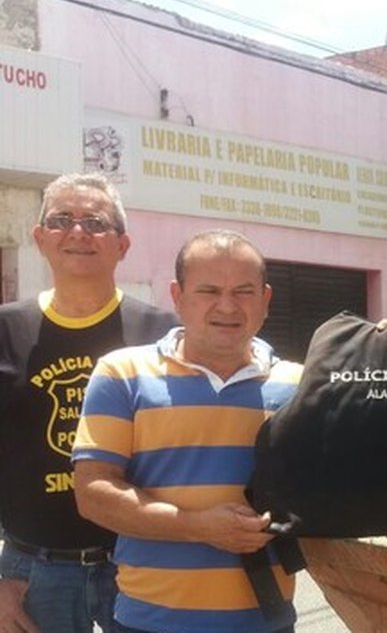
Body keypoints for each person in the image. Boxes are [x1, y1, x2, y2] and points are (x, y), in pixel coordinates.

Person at [71, 230, 302, 632]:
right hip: (148, 622)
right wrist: (197, 527)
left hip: (267, 624)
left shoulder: (301, 385)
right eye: (209, 290)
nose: (227, 306)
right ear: (178, 297)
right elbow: (93, 495)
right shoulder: (122, 374)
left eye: (244, 292)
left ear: (265, 300)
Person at [0, 173, 177, 633]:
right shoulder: (5, 332)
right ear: (40, 239)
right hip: (32, 574)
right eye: (61, 219)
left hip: (143, 566)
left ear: (122, 244)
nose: (78, 232)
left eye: (96, 222)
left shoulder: (163, 335)